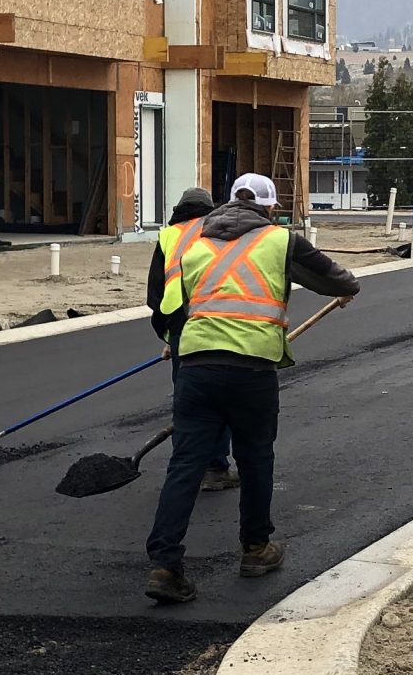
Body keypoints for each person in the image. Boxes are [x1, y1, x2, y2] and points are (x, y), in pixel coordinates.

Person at [144, 172, 360, 605]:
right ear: (268, 207)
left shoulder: (194, 242)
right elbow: (341, 282)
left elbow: (176, 304)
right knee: (256, 458)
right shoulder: (280, 241)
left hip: (196, 365)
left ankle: (166, 566)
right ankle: (256, 549)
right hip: (252, 370)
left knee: (185, 465)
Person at [148, 186, 236, 491]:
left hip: (181, 327)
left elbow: (157, 293)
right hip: (217, 323)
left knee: (188, 402)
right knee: (220, 398)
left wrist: (170, 337)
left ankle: (186, 470)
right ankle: (215, 468)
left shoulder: (168, 236)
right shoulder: (222, 231)